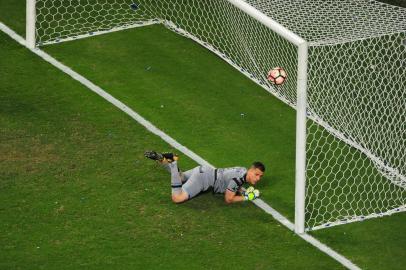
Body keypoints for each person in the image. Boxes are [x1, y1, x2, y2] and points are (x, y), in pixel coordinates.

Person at [144, 151, 265, 204]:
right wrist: (246, 197)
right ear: (251, 170)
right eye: (256, 174)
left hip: (204, 170)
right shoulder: (237, 180)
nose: (258, 178)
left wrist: (240, 190)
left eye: (260, 176)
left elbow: (232, 182)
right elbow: (229, 199)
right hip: (204, 179)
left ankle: (163, 159)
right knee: (177, 197)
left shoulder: (242, 170)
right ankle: (173, 162)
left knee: (180, 177)